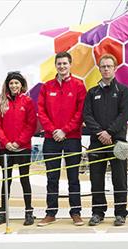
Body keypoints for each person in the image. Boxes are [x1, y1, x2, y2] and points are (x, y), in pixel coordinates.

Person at [36, 51, 87, 227]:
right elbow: (41, 112)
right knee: (52, 178)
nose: (62, 67)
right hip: (51, 138)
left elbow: (80, 113)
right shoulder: (46, 87)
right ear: (55, 65)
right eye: (59, 64)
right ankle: (51, 213)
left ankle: (76, 212)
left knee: (73, 177)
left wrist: (65, 130)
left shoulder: (79, 85)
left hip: (72, 138)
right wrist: (53, 130)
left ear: (70, 65)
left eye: (65, 63)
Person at [83, 54, 128, 226]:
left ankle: (120, 213)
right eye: (102, 66)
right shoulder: (92, 92)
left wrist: (110, 132)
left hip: (117, 142)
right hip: (97, 143)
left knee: (119, 179)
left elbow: (124, 115)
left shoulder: (124, 91)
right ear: (99, 68)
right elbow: (87, 116)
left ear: (115, 68)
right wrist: (100, 133)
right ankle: (98, 212)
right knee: (96, 179)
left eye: (108, 66)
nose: (105, 69)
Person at [0, 71, 37, 226]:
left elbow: (31, 125)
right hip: (6, 148)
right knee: (6, 181)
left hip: (23, 148)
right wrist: (6, 142)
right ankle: (3, 212)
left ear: (21, 84)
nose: (14, 85)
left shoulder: (28, 101)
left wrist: (18, 142)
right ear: (7, 85)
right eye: (11, 83)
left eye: (16, 83)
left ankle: (29, 212)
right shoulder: (0, 101)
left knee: (25, 179)